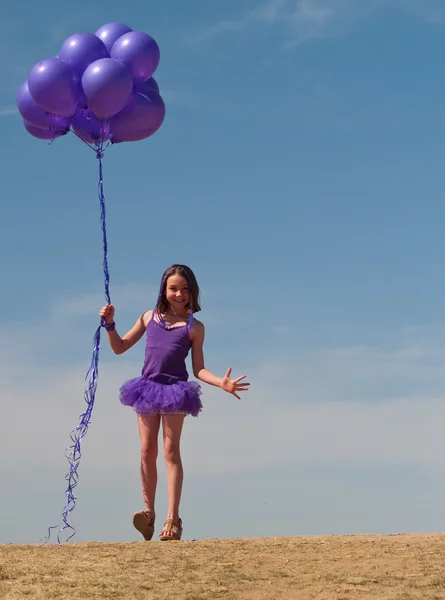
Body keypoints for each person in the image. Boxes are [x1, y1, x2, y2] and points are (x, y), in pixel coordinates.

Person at [99, 264, 250, 541]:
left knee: (170, 451)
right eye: (173, 288)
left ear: (193, 293)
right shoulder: (149, 317)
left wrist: (221, 383)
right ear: (163, 290)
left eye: (184, 289)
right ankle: (148, 514)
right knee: (146, 451)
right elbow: (119, 347)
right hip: (146, 388)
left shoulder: (195, 328)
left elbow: (198, 369)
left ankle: (173, 518)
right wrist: (109, 325)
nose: (179, 294)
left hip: (175, 391)